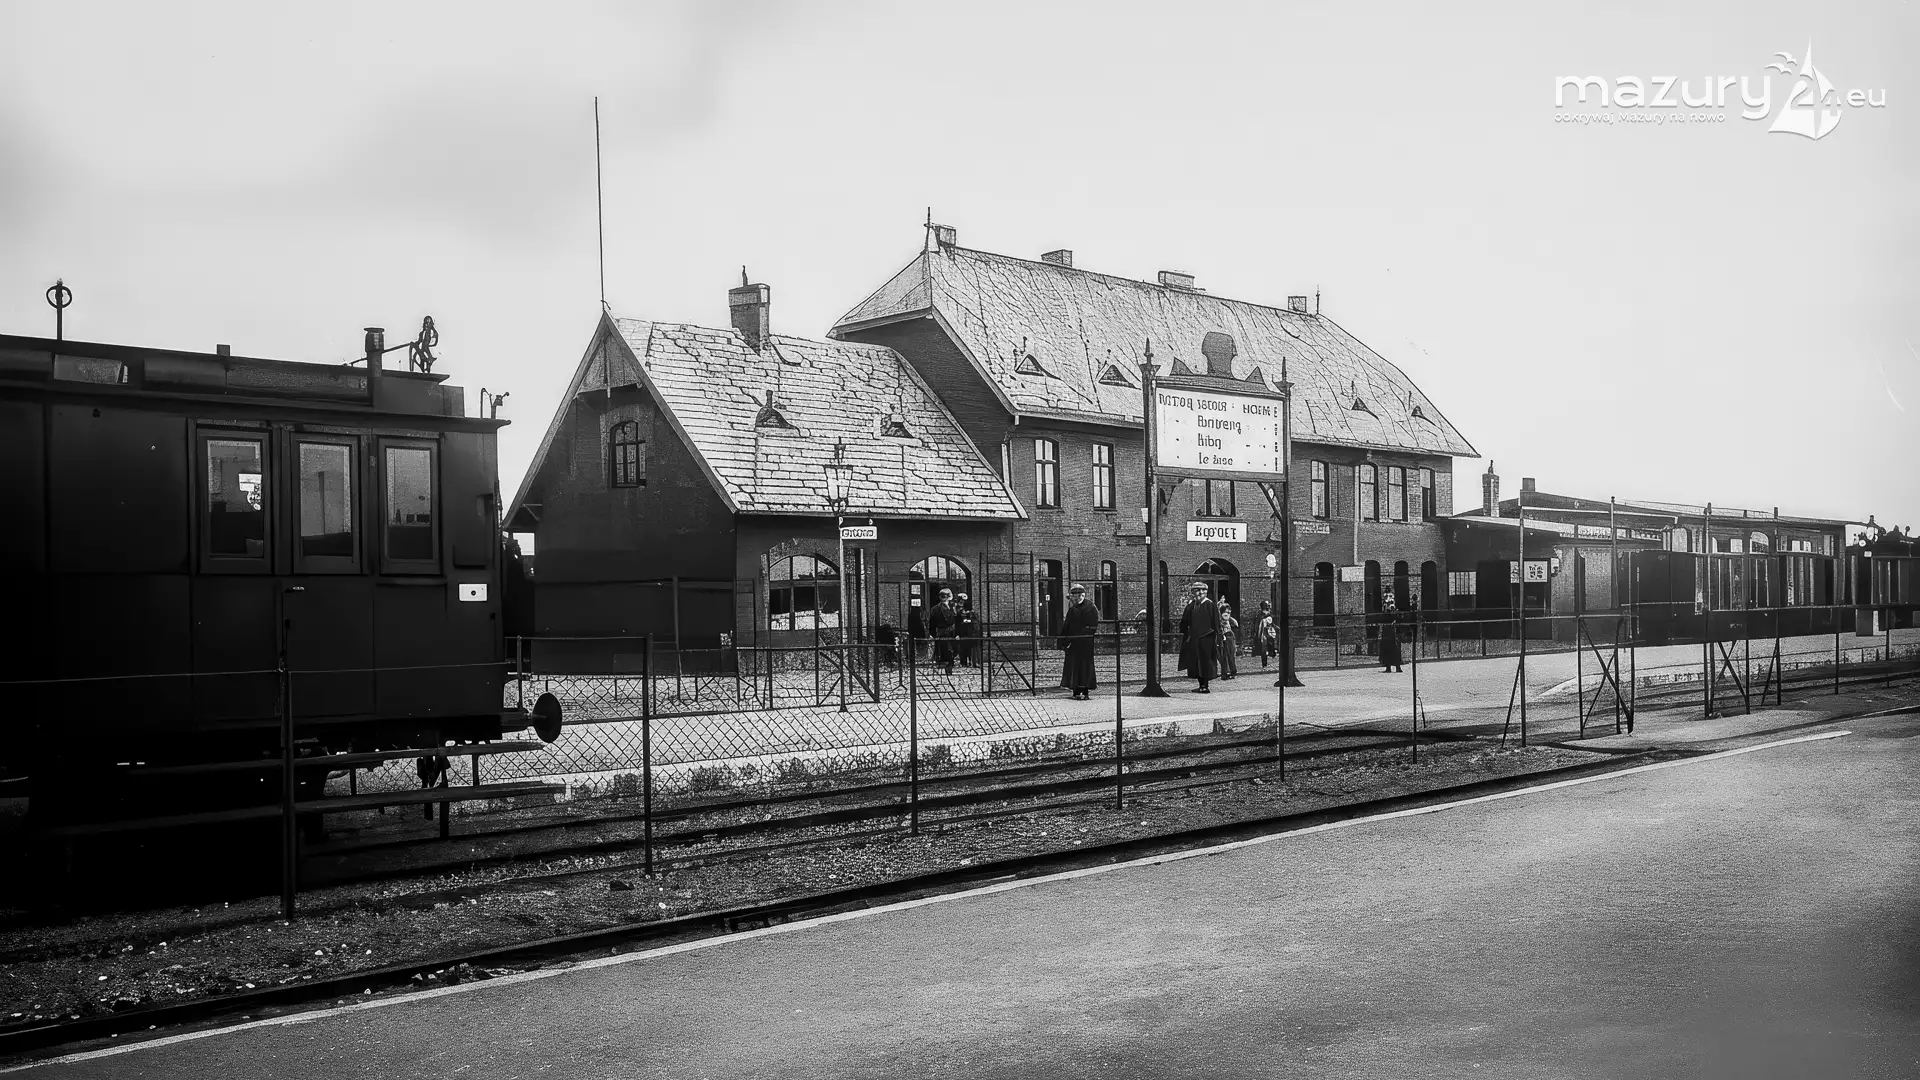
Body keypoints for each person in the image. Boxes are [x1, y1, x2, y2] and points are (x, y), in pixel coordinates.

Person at [1058, 583, 1100, 699]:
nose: (1074, 600)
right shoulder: (1073, 609)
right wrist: (1063, 641)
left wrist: (1078, 636)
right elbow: (1067, 626)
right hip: (1074, 644)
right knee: (1074, 667)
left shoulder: (1091, 608)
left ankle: (1084, 692)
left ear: (1082, 595)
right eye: (1073, 597)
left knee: (1084, 667)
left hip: (1085, 644)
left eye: (1076, 597)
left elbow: (1092, 627)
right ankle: (1076, 691)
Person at [1185, 582, 1220, 692]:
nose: (1200, 593)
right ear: (1193, 593)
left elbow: (1216, 623)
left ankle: (1205, 686)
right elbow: (1186, 621)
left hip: (1207, 638)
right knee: (1197, 663)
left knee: (1205, 662)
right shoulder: (1192, 606)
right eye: (1197, 590)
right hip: (1195, 639)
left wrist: (1218, 636)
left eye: (1203, 590)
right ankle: (1201, 685)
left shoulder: (1210, 605)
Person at [928, 588, 959, 674]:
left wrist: (958, 633)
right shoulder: (935, 609)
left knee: (952, 650)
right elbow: (932, 623)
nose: (943, 598)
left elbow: (957, 621)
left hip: (951, 633)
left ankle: (948, 666)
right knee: (944, 651)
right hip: (943, 633)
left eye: (944, 596)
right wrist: (932, 634)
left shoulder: (953, 607)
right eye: (942, 596)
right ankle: (946, 667)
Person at [1378, 595, 1404, 673]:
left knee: (1393, 649)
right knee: (1389, 649)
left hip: (1391, 634)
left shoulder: (1392, 612)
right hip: (1388, 633)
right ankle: (1389, 667)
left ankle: (1396, 667)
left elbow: (1398, 618)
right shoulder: (1386, 612)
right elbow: (1382, 620)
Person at [955, 593, 978, 668]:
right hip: (963, 632)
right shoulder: (959, 612)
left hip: (970, 633)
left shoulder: (972, 613)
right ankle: (963, 662)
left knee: (969, 648)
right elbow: (957, 623)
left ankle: (970, 661)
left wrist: (970, 621)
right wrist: (957, 633)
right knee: (963, 648)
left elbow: (976, 621)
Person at [1217, 602, 1238, 680]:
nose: (1227, 614)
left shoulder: (1228, 619)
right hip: (1222, 636)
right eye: (1226, 612)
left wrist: (1229, 618)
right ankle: (1225, 673)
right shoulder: (1219, 620)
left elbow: (1236, 624)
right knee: (1223, 655)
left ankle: (1232, 671)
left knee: (1230, 654)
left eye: (1229, 612)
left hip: (1229, 636)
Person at [1254, 600, 1277, 669]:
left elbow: (1272, 624)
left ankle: (1272, 653)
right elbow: (1257, 626)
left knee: (1271, 645)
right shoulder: (1260, 616)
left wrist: (1276, 628)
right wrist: (1257, 634)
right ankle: (1264, 664)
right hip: (1263, 634)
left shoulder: (1269, 615)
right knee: (1263, 649)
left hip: (1270, 633)